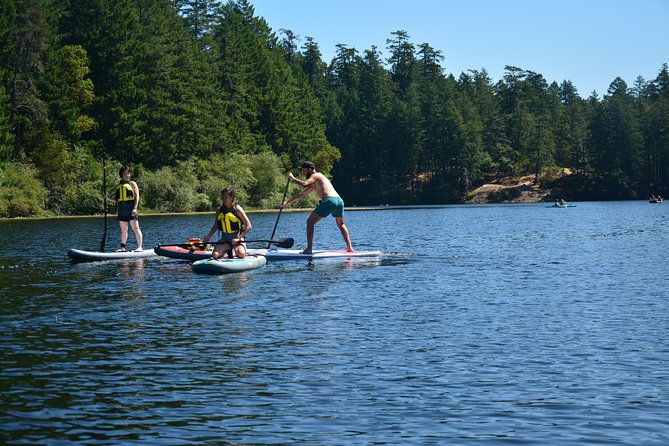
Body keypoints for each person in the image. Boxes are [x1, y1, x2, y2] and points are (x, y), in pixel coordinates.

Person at [281, 161, 354, 254]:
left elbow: (304, 184)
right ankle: (350, 248)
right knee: (341, 224)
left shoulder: (316, 175)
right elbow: (302, 194)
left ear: (310, 169)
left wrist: (292, 178)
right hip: (339, 201)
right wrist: (287, 203)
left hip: (330, 201)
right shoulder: (318, 180)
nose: (302, 173)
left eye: (303, 170)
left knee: (310, 222)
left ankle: (309, 249)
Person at [203, 188, 252, 259]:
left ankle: (237, 249)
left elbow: (249, 226)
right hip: (225, 238)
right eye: (223, 197)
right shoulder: (219, 210)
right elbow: (216, 225)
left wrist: (239, 238)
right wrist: (209, 236)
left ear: (232, 198)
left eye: (226, 197)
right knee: (215, 255)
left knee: (240, 254)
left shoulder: (238, 209)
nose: (224, 199)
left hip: (237, 237)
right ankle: (228, 249)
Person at [114, 166, 143, 252]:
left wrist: (135, 208)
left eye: (128, 173)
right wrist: (107, 197)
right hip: (122, 209)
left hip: (131, 208)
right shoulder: (119, 186)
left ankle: (139, 247)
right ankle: (122, 248)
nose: (127, 175)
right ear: (121, 175)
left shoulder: (132, 184)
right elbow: (116, 199)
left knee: (136, 228)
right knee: (123, 230)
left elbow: (137, 196)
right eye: (124, 173)